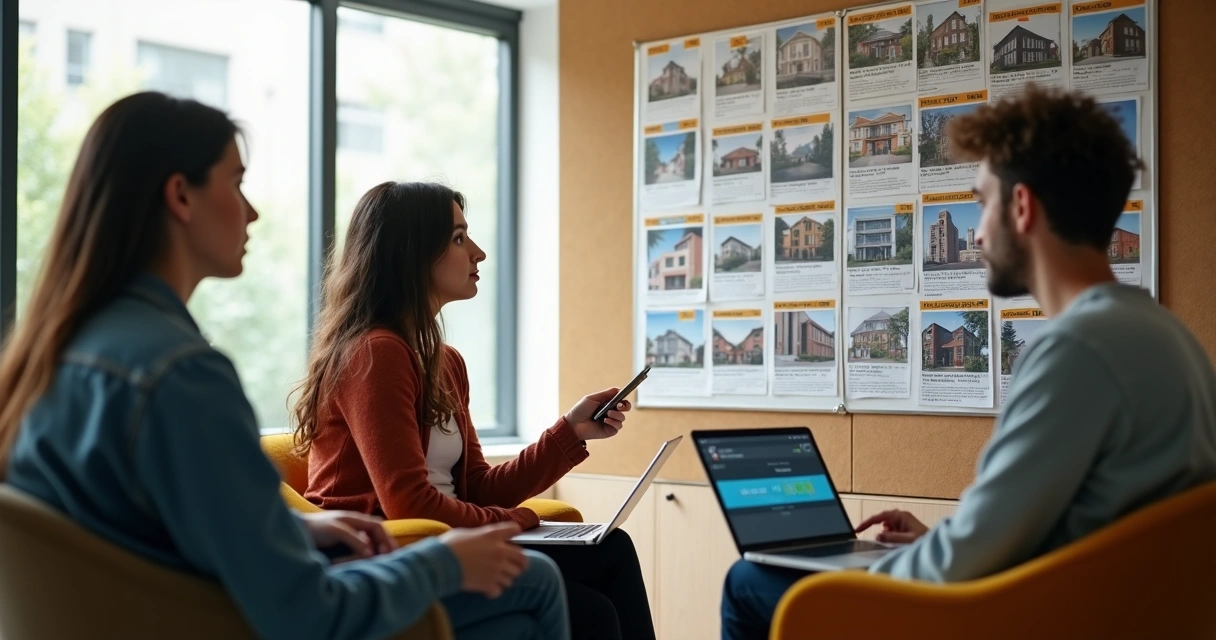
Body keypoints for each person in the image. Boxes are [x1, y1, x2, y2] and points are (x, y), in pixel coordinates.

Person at [0, 92, 570, 640]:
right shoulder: (181, 376)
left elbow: (149, 527)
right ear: (181, 196)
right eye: (237, 182)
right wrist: (445, 562)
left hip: (151, 617)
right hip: (238, 623)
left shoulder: (58, 355)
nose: (252, 210)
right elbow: (305, 613)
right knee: (538, 583)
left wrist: (297, 527)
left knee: (524, 613)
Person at [719, 84, 1216, 639]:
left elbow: (960, 566)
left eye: (981, 203)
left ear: (1022, 207)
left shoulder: (1078, 350)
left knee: (749, 581)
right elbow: (1064, 535)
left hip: (1023, 621)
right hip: (1104, 611)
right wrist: (939, 541)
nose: (976, 232)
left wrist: (880, 565)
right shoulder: (1167, 337)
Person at [291, 181, 657, 640]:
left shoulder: (445, 362)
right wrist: (519, 521)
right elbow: (408, 504)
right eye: (460, 238)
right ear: (412, 254)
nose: (479, 253)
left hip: (440, 536)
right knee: (591, 613)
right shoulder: (375, 353)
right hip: (392, 551)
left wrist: (571, 431)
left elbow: (479, 487)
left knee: (612, 550)